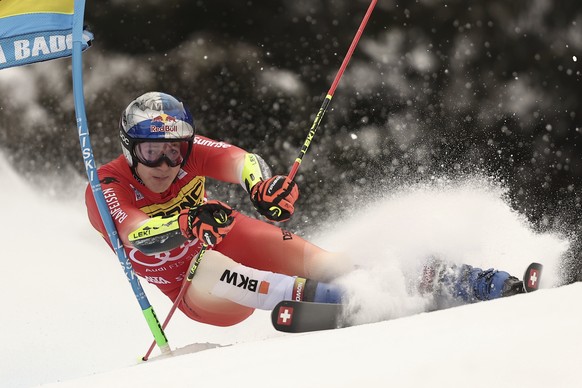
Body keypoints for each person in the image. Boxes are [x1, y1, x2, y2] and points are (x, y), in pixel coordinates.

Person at [85, 91, 524, 327]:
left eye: (175, 153)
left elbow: (242, 162)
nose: (164, 164)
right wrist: (184, 220)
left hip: (223, 230)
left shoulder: (191, 152)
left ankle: (463, 278)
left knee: (327, 261)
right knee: (212, 264)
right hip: (194, 288)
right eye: (150, 152)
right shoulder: (106, 185)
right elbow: (137, 232)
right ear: (129, 150)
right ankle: (350, 302)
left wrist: (264, 188)